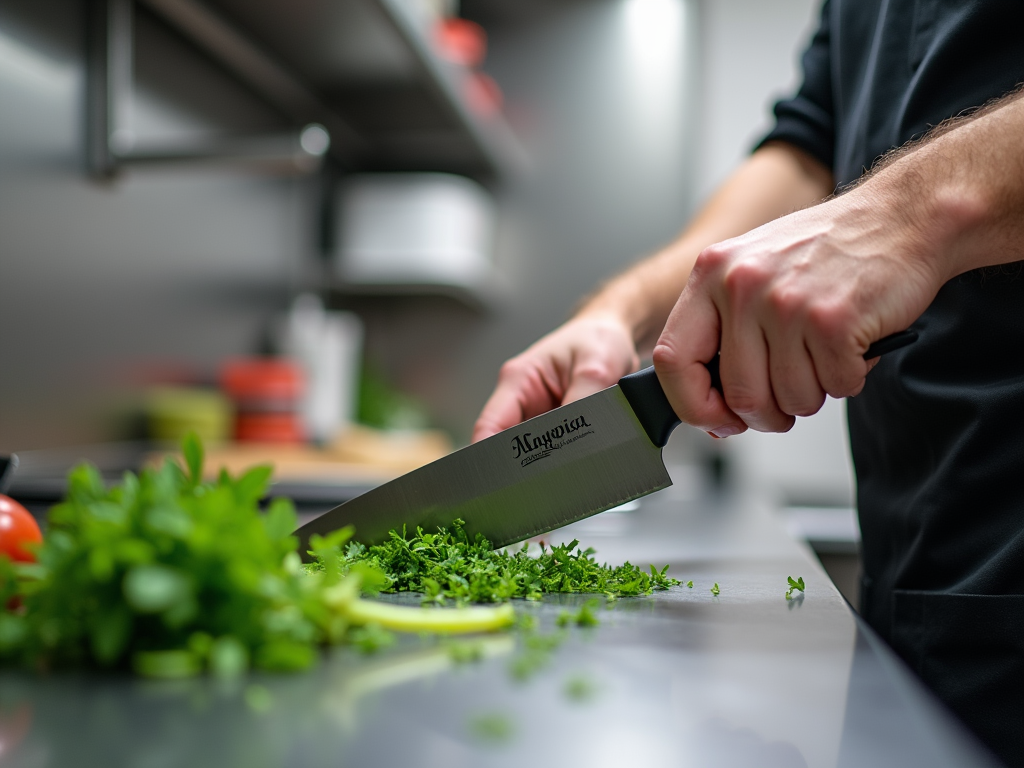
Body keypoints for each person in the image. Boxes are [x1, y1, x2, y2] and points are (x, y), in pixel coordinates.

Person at [473, 1, 1024, 764]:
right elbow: (802, 155)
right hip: (923, 575)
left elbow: (865, 194)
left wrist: (909, 212)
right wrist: (620, 313)